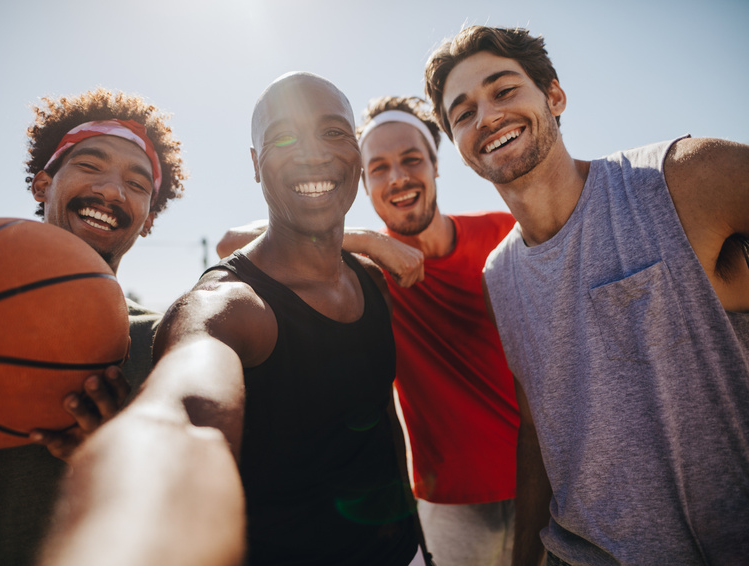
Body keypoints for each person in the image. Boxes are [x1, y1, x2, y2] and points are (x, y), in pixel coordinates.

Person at [42, 72, 426, 566]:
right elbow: (184, 417)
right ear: (254, 164)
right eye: (284, 136)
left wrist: (417, 540)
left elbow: (380, 423)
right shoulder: (227, 306)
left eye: (333, 132)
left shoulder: (370, 281)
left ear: (356, 149)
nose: (313, 153)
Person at [424, 25, 749, 566]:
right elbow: (537, 432)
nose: (486, 117)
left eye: (504, 90)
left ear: (554, 95)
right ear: (459, 146)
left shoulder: (683, 177)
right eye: (463, 113)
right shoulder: (497, 276)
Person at [218, 95, 520, 566]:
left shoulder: (505, 234)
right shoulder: (365, 270)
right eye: (378, 167)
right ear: (360, 176)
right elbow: (230, 242)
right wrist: (368, 239)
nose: (397, 178)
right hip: (448, 502)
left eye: (411, 160)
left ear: (436, 165)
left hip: (544, 479)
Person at [0, 88, 187, 566]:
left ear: (149, 220)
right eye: (91, 166)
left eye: (138, 185)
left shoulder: (170, 344)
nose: (113, 190)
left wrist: (123, 461)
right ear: (42, 185)